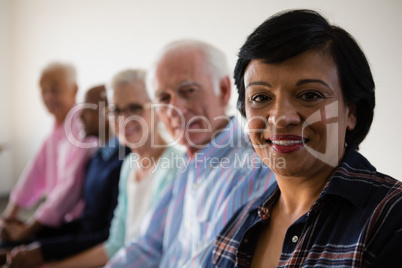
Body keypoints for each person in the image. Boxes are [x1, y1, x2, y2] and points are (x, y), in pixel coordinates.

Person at [209, 9, 402, 267]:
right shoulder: (233, 231)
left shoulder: (391, 219)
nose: (280, 117)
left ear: (352, 111)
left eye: (309, 95)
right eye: (261, 98)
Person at [105, 40, 275, 268]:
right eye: (164, 98)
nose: (175, 109)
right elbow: (148, 246)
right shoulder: (189, 161)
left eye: (189, 91)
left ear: (224, 91)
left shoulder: (253, 167)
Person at [41, 69, 183, 268]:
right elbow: (115, 245)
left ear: (159, 110)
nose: (123, 119)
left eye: (135, 108)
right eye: (115, 110)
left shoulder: (175, 168)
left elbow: (154, 254)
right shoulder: (129, 165)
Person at [3, 85, 130, 268]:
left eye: (86, 110)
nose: (78, 117)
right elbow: (86, 223)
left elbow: (108, 238)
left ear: (106, 115)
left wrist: (43, 251)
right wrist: (33, 239)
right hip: (80, 237)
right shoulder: (98, 157)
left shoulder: (123, 163)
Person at [0, 63, 95, 246]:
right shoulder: (56, 130)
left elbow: (69, 189)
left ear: (74, 89)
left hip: (74, 225)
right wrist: (9, 216)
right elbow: (34, 172)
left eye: (55, 90)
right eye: (43, 91)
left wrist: (28, 229)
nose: (48, 97)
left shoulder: (84, 128)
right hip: (54, 220)